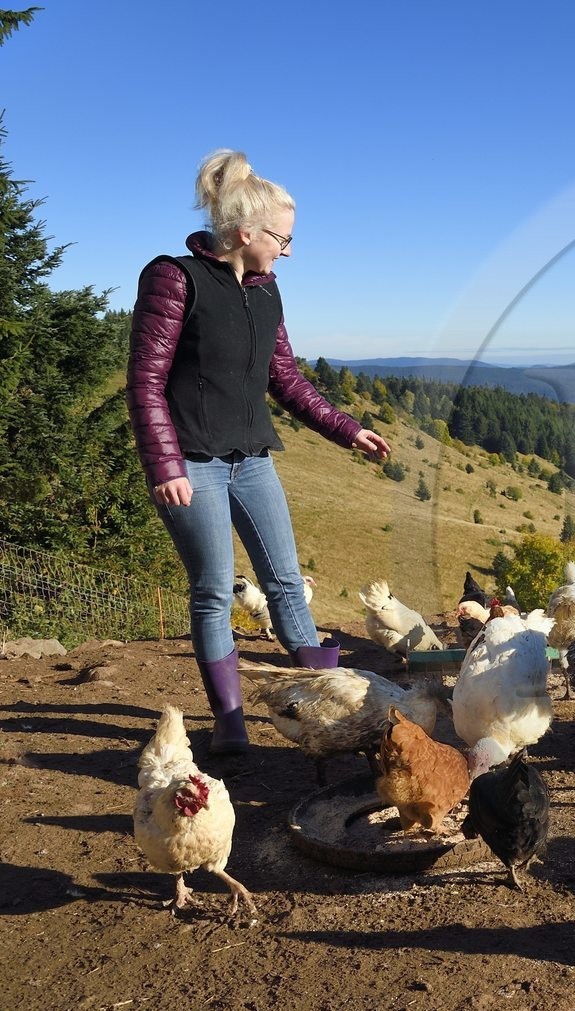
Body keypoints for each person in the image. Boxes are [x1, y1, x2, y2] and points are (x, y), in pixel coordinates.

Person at [127, 149, 390, 755]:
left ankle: (334, 703)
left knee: (287, 584)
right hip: (190, 462)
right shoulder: (174, 278)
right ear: (246, 232)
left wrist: (347, 430)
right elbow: (144, 381)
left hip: (253, 462)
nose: (289, 250)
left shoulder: (266, 292)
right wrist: (164, 464)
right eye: (283, 237)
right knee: (215, 590)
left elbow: (287, 378)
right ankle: (230, 723)